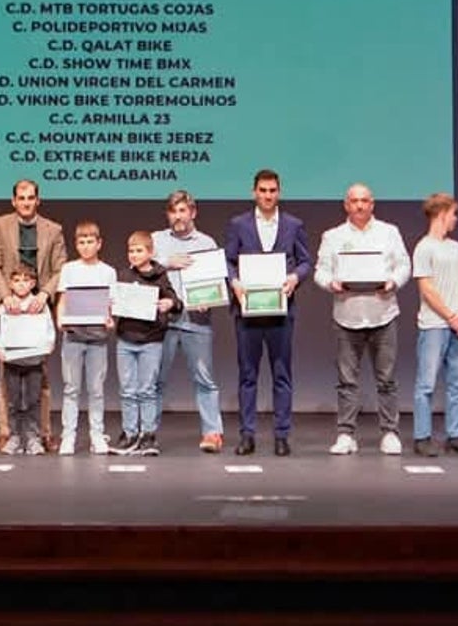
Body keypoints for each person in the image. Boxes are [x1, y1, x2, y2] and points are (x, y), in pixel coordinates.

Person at [314, 184, 411, 456]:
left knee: (387, 379)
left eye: (364, 201)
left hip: (383, 315)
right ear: (346, 205)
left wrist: (393, 282)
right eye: (354, 201)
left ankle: (390, 432)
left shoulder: (389, 232)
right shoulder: (332, 236)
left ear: (372, 204)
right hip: (347, 317)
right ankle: (346, 434)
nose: (359, 205)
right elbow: (320, 271)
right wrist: (330, 283)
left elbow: (404, 265)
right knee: (347, 380)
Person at [225, 169, 311, 456]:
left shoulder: (293, 224)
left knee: (282, 373)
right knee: (247, 375)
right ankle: (247, 435)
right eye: (262, 190)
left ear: (279, 192)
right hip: (247, 311)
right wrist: (234, 281)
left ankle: (281, 435)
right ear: (254, 192)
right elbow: (228, 261)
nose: (267, 195)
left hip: (280, 311)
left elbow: (305, 262)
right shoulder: (238, 224)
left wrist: (295, 278)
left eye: (272, 190)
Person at [0, 180, 67, 452]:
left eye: (31, 197)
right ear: (13, 201)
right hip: (10, 308)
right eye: (21, 198)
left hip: (37, 307)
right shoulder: (0, 225)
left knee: (40, 379)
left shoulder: (53, 229)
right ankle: (7, 433)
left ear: (38, 200)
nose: (26, 202)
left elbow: (60, 268)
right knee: (7, 378)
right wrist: (4, 295)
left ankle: (42, 433)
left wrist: (44, 294)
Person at [152, 190, 225, 453]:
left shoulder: (206, 242)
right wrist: (165, 262)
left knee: (204, 379)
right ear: (168, 214)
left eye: (183, 210)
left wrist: (210, 297)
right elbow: (141, 267)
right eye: (174, 211)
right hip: (164, 320)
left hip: (197, 319)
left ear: (193, 213)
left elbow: (217, 282)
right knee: (156, 380)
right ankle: (148, 433)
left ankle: (213, 433)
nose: (178, 216)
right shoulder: (157, 240)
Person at [409, 193, 458, 457]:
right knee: (426, 384)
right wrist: (450, 316)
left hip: (457, 325)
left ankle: (456, 435)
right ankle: (422, 436)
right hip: (433, 325)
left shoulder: (457, 248)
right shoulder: (424, 247)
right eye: (453, 214)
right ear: (441, 214)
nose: (456, 219)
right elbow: (427, 288)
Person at [110, 230, 182, 456]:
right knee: (127, 390)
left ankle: (148, 435)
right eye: (131, 251)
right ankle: (129, 433)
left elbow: (176, 301)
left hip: (151, 340)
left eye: (139, 250)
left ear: (150, 253)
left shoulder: (161, 276)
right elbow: (114, 304)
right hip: (126, 339)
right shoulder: (123, 276)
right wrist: (111, 308)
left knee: (147, 389)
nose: (134, 254)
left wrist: (169, 303)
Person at [55, 220, 116, 455]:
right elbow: (63, 300)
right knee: (71, 388)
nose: (86, 246)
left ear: (99, 243)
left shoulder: (108, 271)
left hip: (97, 336)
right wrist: (60, 319)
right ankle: (68, 436)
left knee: (96, 389)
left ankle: (96, 435)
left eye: (91, 241)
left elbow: (111, 304)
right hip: (73, 335)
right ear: (76, 244)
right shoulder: (69, 269)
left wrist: (111, 319)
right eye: (82, 242)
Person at [0, 265, 56, 455]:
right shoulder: (6, 305)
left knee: (33, 400)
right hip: (12, 361)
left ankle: (33, 438)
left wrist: (49, 344)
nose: (21, 285)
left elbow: (48, 329)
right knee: (12, 401)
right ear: (10, 284)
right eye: (17, 280)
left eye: (26, 280)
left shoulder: (39, 305)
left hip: (34, 361)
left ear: (33, 283)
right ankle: (13, 437)